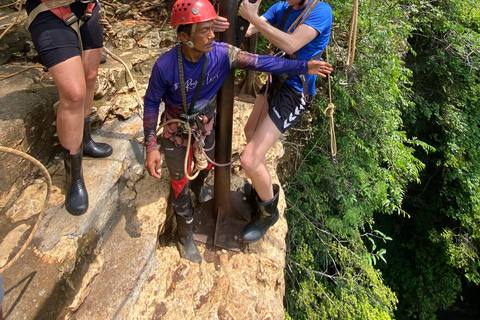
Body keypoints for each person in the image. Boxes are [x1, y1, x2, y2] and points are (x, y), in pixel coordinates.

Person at [143, 0, 333, 263]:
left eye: (213, 30)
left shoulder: (222, 54)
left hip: (209, 123)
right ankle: (185, 233)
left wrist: (303, 67)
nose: (212, 36)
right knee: (179, 180)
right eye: (205, 31)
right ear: (184, 36)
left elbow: (265, 61)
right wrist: (151, 145)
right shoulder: (165, 66)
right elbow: (151, 102)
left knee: (212, 160)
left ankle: (218, 193)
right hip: (177, 130)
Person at [234, 0, 333, 243]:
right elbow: (249, 29)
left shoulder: (320, 11)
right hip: (277, 80)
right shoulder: (284, 7)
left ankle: (268, 214)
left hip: (295, 90)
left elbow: (291, 43)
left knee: (249, 159)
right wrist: (239, 22)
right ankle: (261, 189)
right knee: (250, 132)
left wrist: (254, 18)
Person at [26, 0, 113, 216]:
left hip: (86, 8)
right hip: (49, 11)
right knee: (74, 94)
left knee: (90, 77)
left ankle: (84, 141)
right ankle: (74, 177)